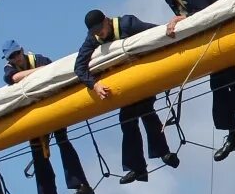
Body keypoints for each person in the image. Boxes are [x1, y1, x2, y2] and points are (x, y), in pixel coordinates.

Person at [139, 0, 235, 161]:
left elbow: (206, 12)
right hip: (211, 38)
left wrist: (180, 19)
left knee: (228, 79)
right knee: (225, 82)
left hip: (224, 31)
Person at [75, 10, 179, 183]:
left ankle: (162, 153)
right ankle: (137, 168)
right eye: (95, 31)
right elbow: (79, 67)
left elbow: (155, 33)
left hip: (143, 75)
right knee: (127, 120)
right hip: (125, 84)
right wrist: (95, 85)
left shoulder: (127, 24)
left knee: (145, 109)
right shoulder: (92, 39)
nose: (99, 33)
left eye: (100, 28)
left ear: (107, 21)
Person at [0, 40, 96, 194]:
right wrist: (39, 72)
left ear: (21, 51)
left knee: (62, 141)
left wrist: (37, 71)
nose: (16, 59)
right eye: (12, 57)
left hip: (53, 106)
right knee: (39, 157)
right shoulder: (10, 69)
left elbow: (53, 70)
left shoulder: (38, 58)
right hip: (34, 114)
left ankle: (81, 184)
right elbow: (13, 78)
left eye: (17, 54)